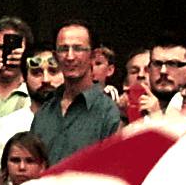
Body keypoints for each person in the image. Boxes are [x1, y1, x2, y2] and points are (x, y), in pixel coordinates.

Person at [29, 22, 121, 167]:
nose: (70, 56)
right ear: (55, 56)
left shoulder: (108, 113)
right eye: (63, 49)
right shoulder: (44, 112)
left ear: (93, 56)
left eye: (78, 49)